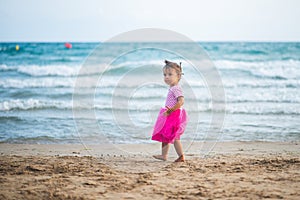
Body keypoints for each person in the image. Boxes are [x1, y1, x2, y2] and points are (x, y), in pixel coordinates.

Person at [152, 60, 188, 162]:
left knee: (174, 136)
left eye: (170, 74)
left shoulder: (175, 88)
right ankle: (164, 155)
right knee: (165, 135)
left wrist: (170, 111)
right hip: (170, 113)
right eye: (165, 75)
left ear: (178, 76)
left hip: (173, 114)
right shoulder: (172, 88)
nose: (166, 77)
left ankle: (181, 156)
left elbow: (181, 101)